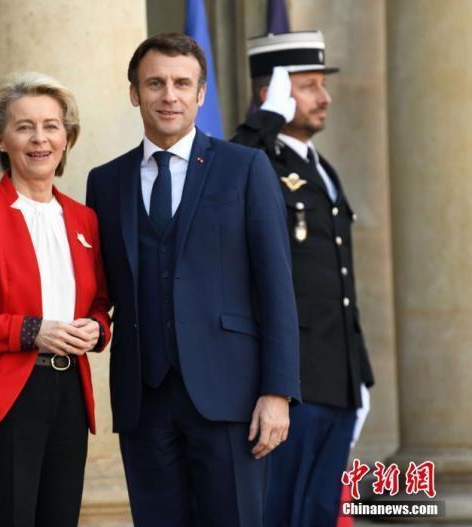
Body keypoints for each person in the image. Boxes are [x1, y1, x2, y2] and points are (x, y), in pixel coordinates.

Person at [86, 33, 300, 526]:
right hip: (143, 399)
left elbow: (276, 287)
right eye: (155, 83)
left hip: (231, 398)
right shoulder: (106, 181)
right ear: (134, 92)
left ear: (201, 94)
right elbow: (100, 286)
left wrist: (278, 392)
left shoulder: (245, 167)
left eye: (182, 84)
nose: (170, 96)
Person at [0, 71, 111, 527]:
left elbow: (100, 302)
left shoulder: (84, 220)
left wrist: (96, 328)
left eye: (51, 126)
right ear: (0, 139)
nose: (39, 139)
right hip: (3, 399)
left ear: (67, 138)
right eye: (24, 127)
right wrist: (32, 330)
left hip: (69, 396)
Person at [231, 31, 375, 526]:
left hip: (338, 377)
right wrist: (265, 120)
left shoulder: (321, 169)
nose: (324, 97)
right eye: (309, 86)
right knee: (279, 512)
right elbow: (219, 183)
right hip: (292, 380)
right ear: (271, 92)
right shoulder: (255, 161)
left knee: (317, 513)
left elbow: (338, 282)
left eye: (322, 85)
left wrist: (360, 373)